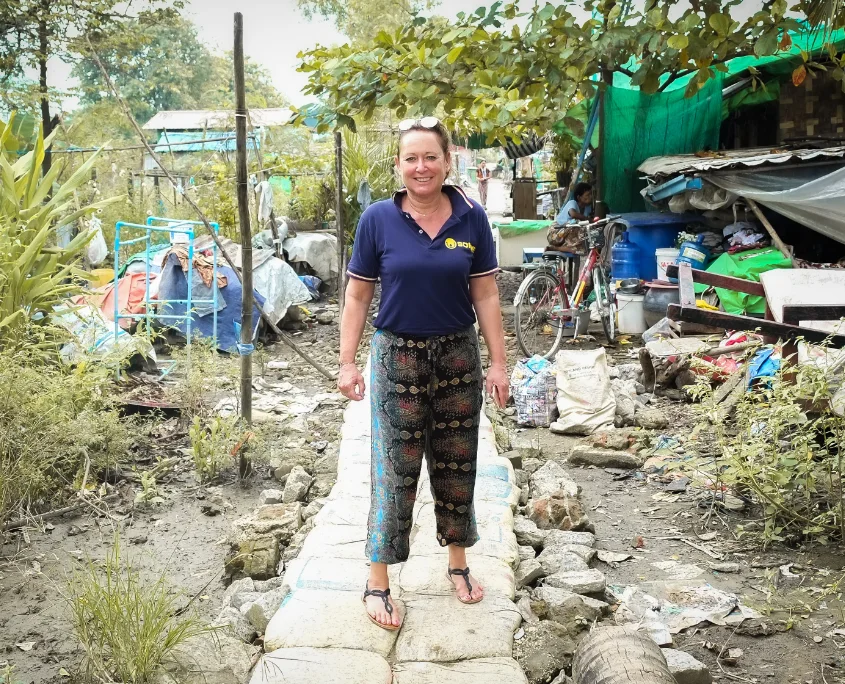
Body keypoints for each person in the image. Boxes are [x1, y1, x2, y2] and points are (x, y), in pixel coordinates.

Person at [337, 116, 510, 631]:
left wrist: (498, 363)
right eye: (410, 158)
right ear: (398, 165)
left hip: (458, 355)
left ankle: (457, 563)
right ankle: (378, 580)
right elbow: (357, 295)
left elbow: (486, 294)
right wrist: (347, 362)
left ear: (447, 161)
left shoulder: (471, 217)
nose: (421, 167)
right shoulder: (378, 220)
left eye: (430, 157)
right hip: (397, 358)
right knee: (395, 469)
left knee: (458, 463)